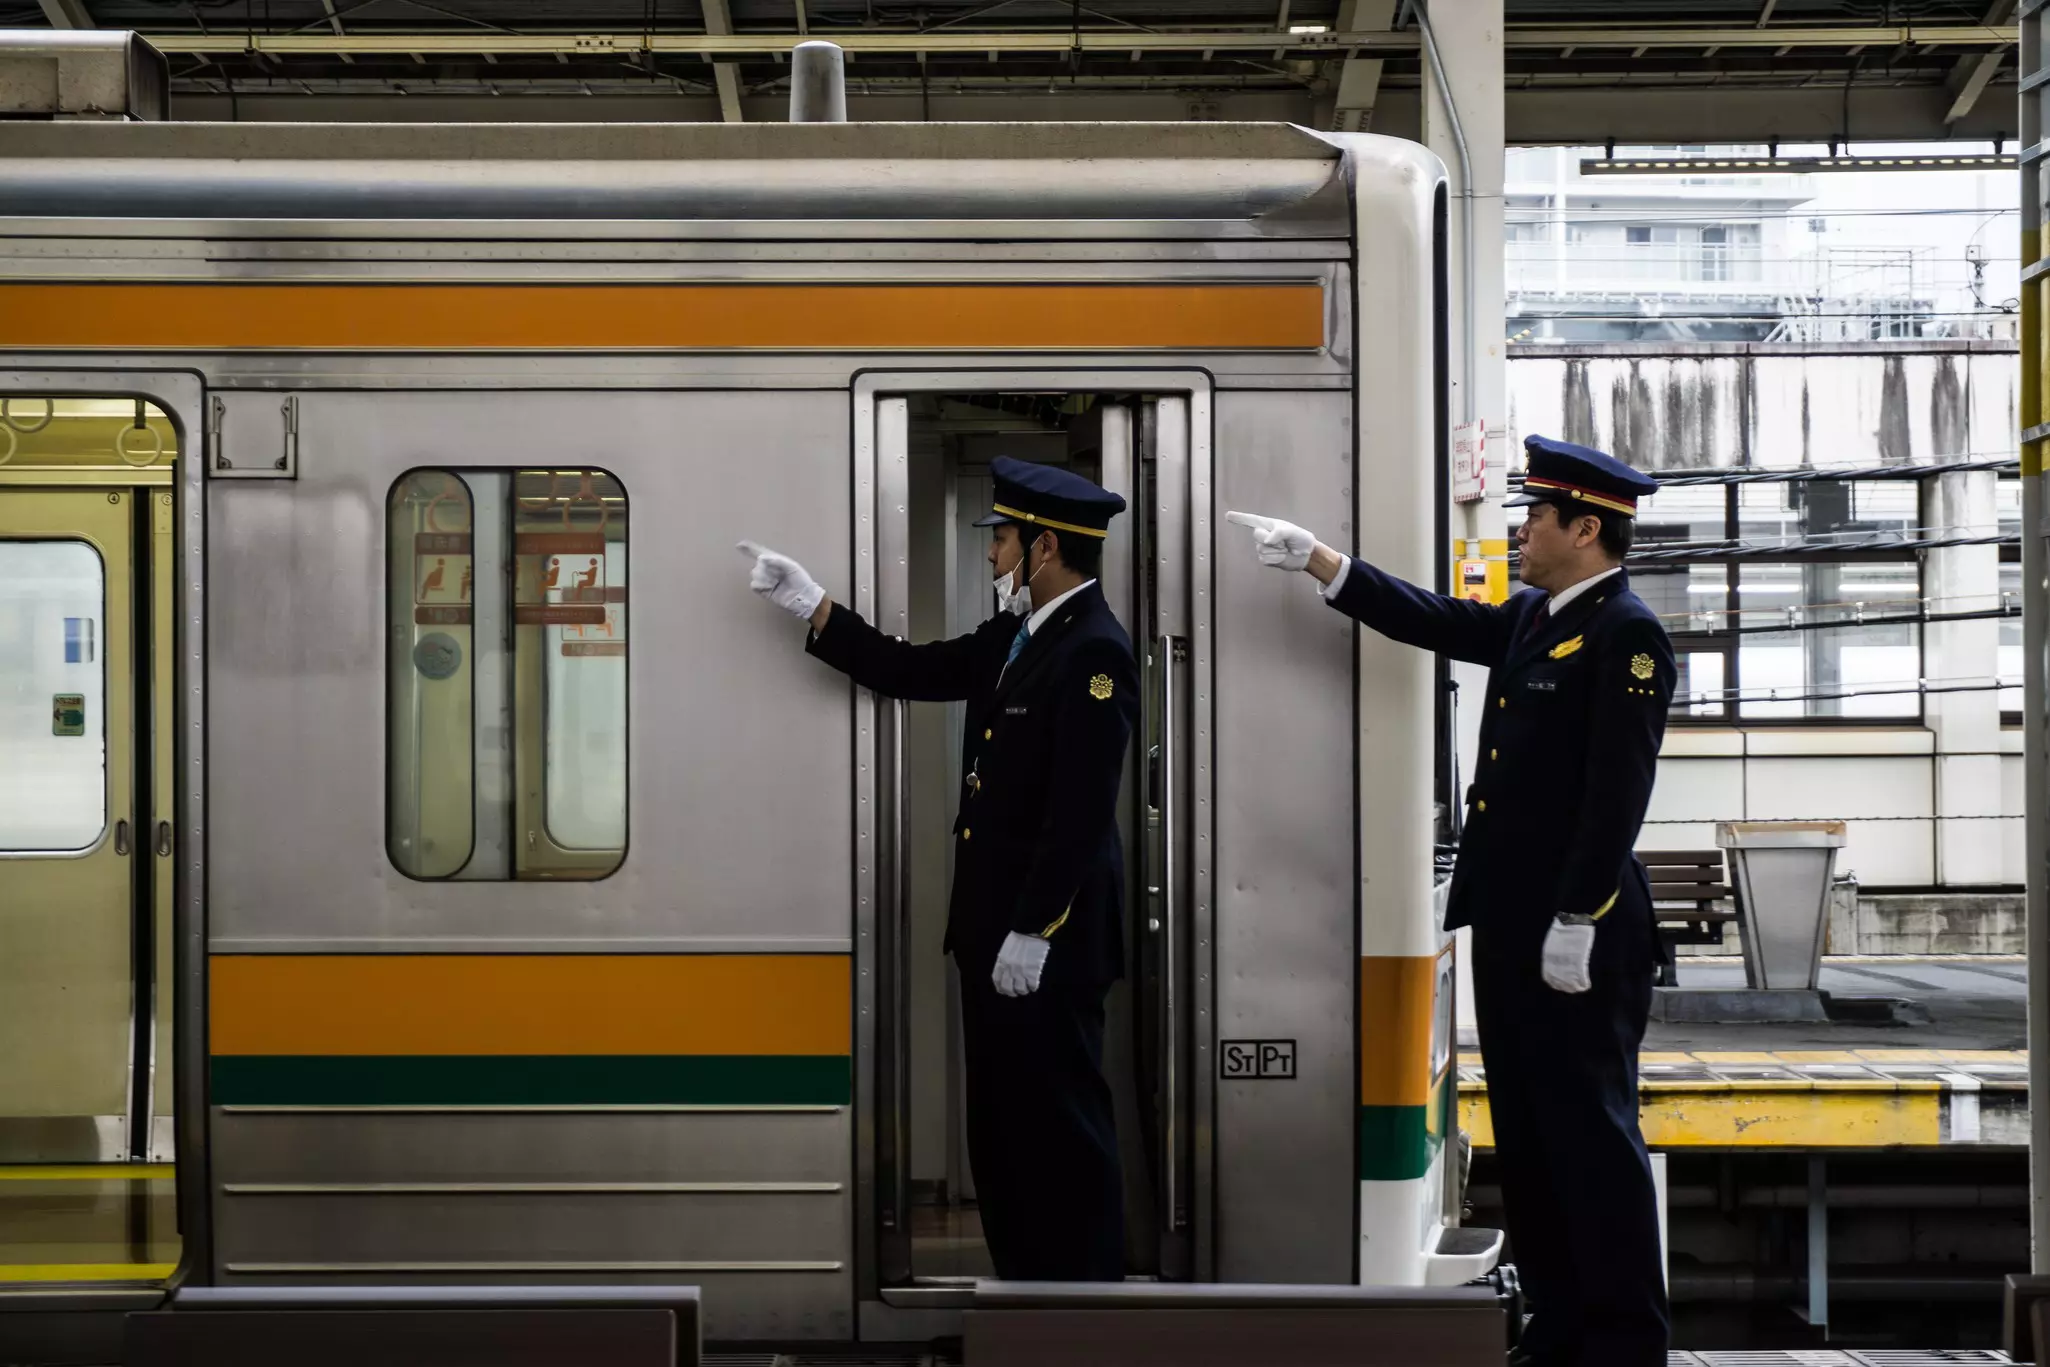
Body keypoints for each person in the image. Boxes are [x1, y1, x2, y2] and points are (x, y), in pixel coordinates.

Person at [1226, 436, 1673, 1367]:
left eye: (1537, 517)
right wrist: (1323, 560)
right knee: (1535, 1136)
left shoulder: (1626, 633)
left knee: (1592, 1135)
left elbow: (1617, 790)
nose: (1522, 529)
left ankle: (1625, 1342)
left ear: (1586, 529)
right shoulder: (1532, 619)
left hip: (1576, 934)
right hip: (1514, 929)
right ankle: (1559, 1327)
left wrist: (1577, 914)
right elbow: (1430, 617)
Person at [740, 456, 1136, 1283]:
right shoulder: (1018, 637)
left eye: (1002, 539)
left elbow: (1080, 811)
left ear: (1046, 546)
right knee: (1002, 1126)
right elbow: (911, 669)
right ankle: (1030, 1286)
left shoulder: (1096, 653)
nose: (992, 555)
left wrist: (1034, 929)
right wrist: (813, 606)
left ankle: (1089, 1299)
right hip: (993, 938)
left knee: (1061, 1123)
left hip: (1045, 947)